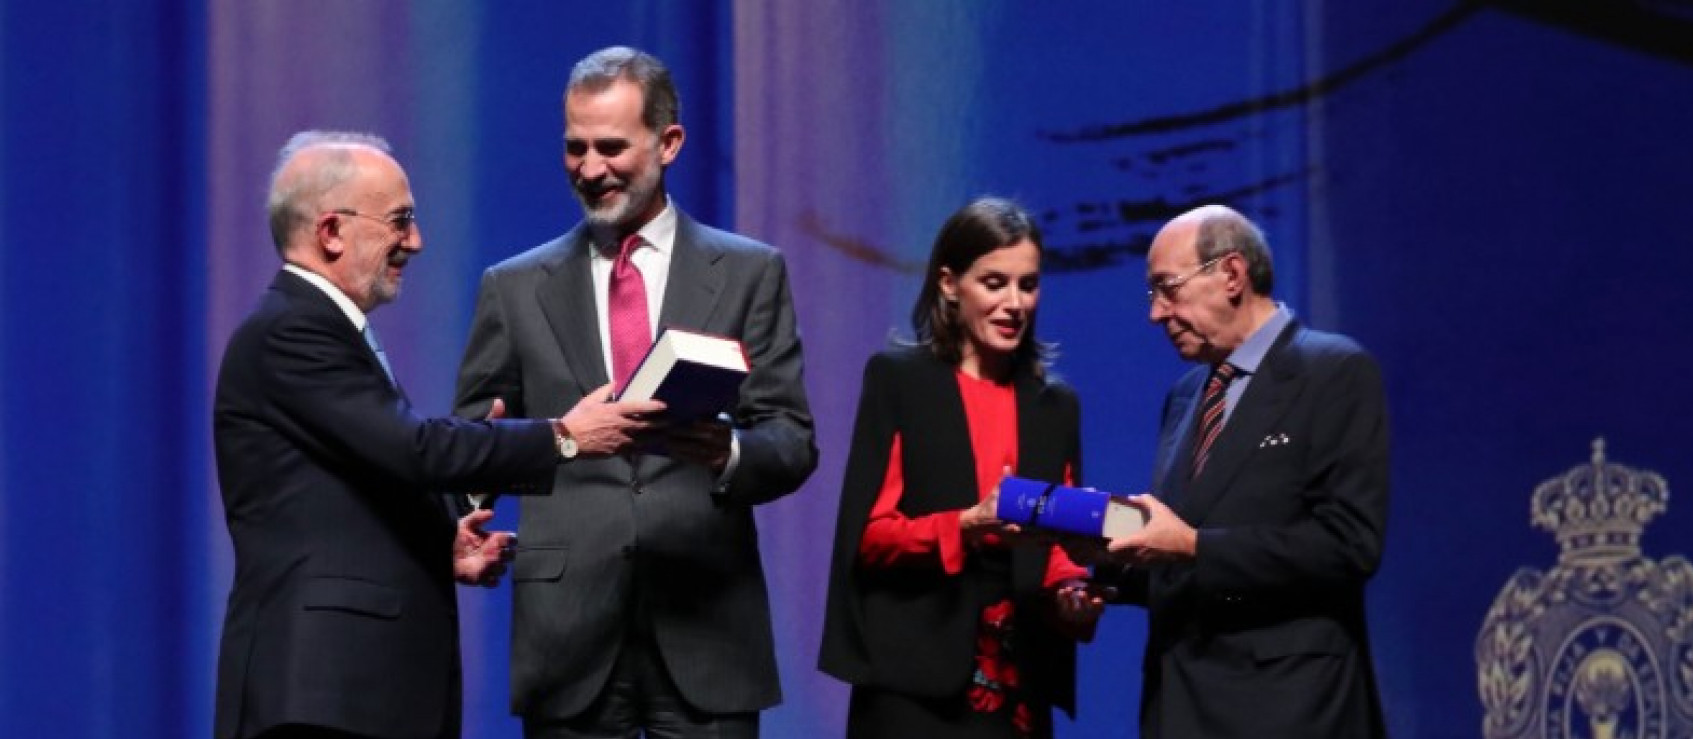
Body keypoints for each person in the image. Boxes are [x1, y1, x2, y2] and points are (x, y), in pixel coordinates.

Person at [213, 131, 662, 739]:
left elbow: (358, 492)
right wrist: (565, 437)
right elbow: (414, 448)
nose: (415, 242)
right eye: (400, 221)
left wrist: (442, 535)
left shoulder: (318, 332)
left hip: (355, 693)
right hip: (321, 695)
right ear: (331, 232)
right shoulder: (293, 332)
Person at [451, 47, 817, 738]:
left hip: (708, 621)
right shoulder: (514, 285)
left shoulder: (749, 273)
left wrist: (726, 452)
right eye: (575, 148)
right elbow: (473, 438)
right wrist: (472, 501)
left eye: (611, 146)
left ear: (669, 142)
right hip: (569, 636)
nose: (590, 169)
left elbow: (793, 441)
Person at [818, 197, 1105, 738]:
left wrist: (1072, 598)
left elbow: (1059, 546)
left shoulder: (1054, 403)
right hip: (913, 681)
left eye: (1028, 284)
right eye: (994, 283)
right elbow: (869, 536)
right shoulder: (900, 380)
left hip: (1018, 681)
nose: (1014, 302)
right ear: (950, 285)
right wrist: (965, 527)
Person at [1100, 205, 1389, 738]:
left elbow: (1348, 545)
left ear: (1231, 275)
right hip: (1182, 707)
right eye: (1152, 295)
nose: (1156, 314)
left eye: (1168, 289)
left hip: (1288, 709)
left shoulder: (1334, 372)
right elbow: (1188, 540)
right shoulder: (1188, 395)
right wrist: (1105, 561)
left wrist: (1191, 546)